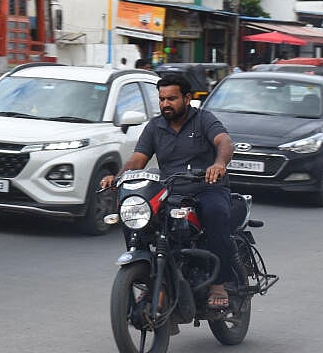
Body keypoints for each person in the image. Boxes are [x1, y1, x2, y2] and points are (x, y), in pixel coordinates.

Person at [100, 73, 238, 310]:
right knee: (137, 219)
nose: (165, 104)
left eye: (171, 99)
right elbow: (138, 158)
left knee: (215, 214)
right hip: (171, 192)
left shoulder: (204, 119)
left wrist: (218, 165)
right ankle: (149, 279)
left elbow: (224, 142)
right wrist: (119, 177)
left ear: (187, 98)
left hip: (206, 188)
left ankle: (219, 283)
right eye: (162, 99)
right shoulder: (155, 126)